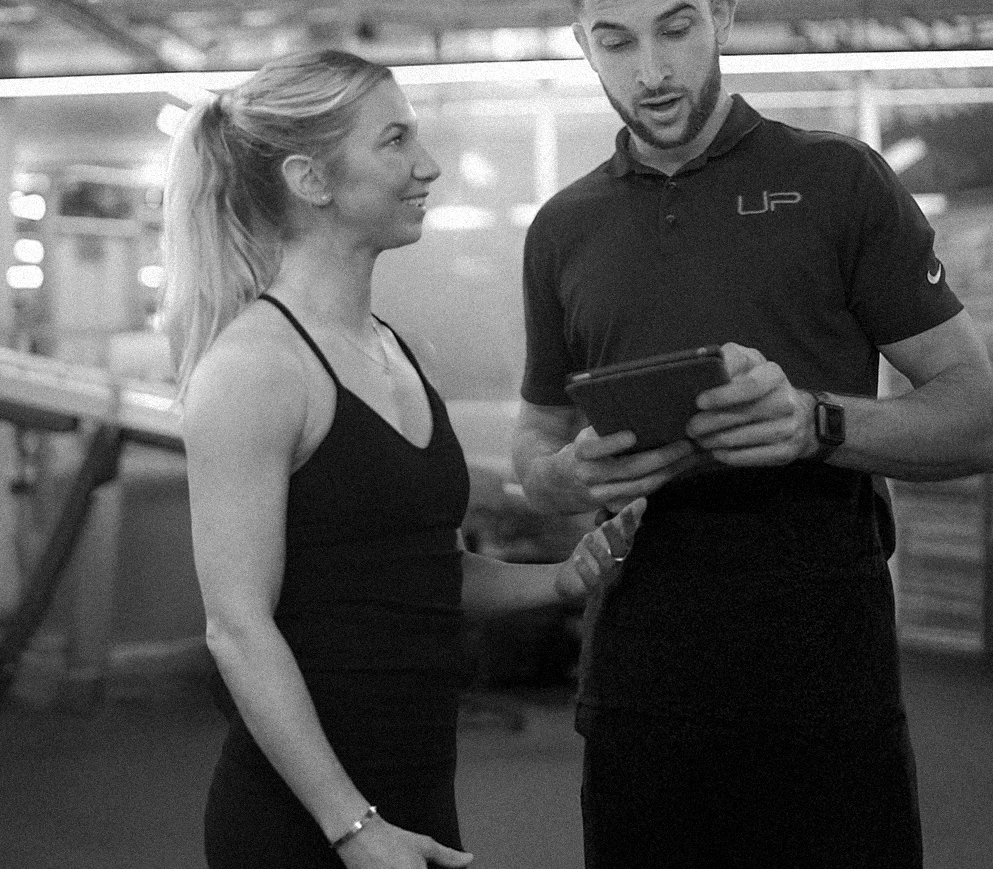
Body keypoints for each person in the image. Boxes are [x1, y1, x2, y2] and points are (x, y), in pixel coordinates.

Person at [512, 0, 993, 869]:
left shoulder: (838, 182)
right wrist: (564, 477)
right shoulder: (564, 230)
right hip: (638, 686)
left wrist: (813, 424)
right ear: (583, 43)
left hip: (821, 682)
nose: (650, 72)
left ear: (723, 15)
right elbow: (535, 449)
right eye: (615, 42)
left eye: (676, 28)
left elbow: (979, 419)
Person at [162, 49, 646, 869]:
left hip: (414, 790)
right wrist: (352, 828)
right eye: (393, 142)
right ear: (312, 179)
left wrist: (564, 579)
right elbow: (237, 629)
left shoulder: (394, 350)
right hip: (307, 820)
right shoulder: (254, 370)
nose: (427, 166)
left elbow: (420, 573)